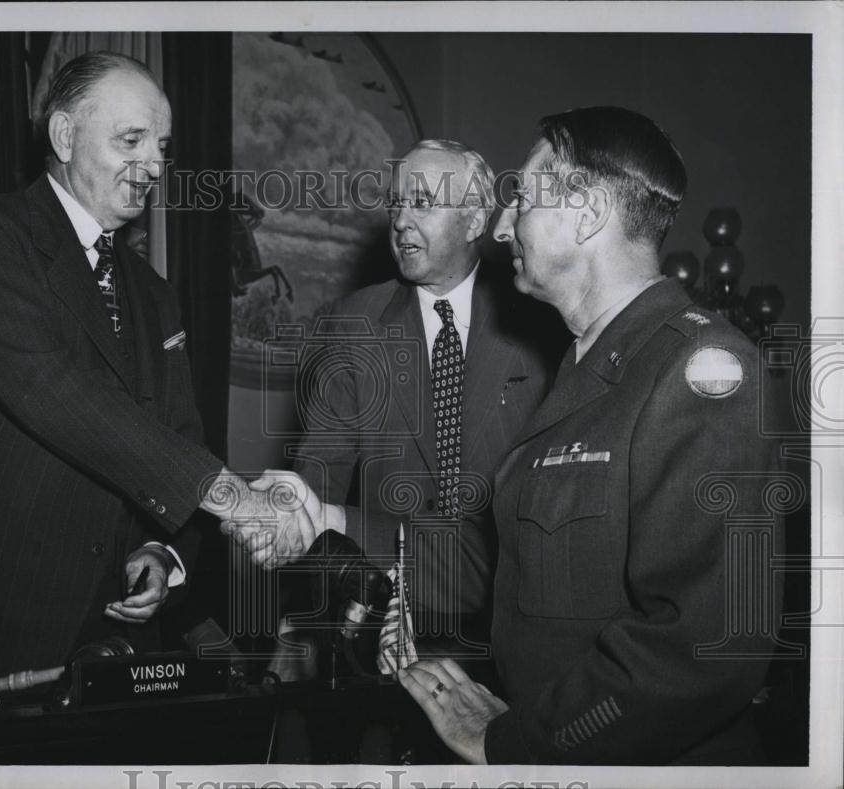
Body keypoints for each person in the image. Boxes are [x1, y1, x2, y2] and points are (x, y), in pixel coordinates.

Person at [399, 107, 782, 764]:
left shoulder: (701, 370)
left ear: (588, 213)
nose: (499, 223)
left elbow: (703, 649)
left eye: (521, 196)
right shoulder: (586, 369)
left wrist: (515, 743)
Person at [0, 52, 287, 681]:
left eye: (162, 146)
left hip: (105, 640)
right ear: (64, 135)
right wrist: (228, 495)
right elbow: (53, 388)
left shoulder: (154, 293)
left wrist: (163, 549)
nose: (154, 164)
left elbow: (179, 438)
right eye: (132, 140)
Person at [241, 141, 559, 678]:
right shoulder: (351, 324)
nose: (402, 222)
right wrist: (301, 618)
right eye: (395, 205)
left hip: (514, 626)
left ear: (475, 218)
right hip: (383, 619)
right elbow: (319, 479)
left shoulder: (540, 322)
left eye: (423, 203)